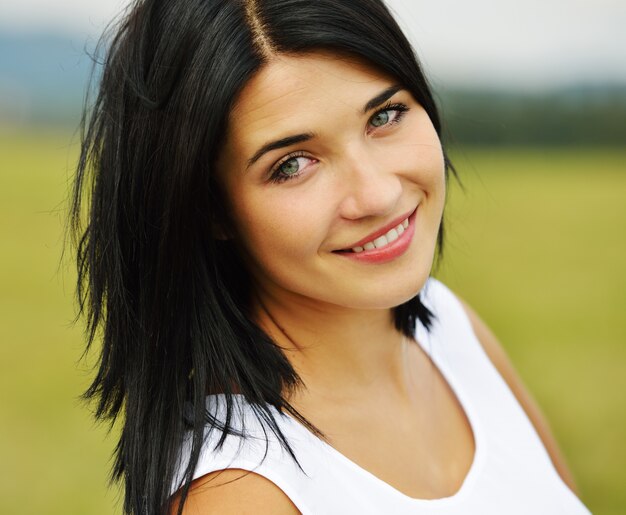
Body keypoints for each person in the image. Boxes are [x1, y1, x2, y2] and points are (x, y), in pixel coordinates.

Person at [69, 0, 591, 514]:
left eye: (385, 116)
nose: (378, 195)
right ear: (210, 210)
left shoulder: (453, 330)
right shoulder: (239, 494)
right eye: (293, 164)